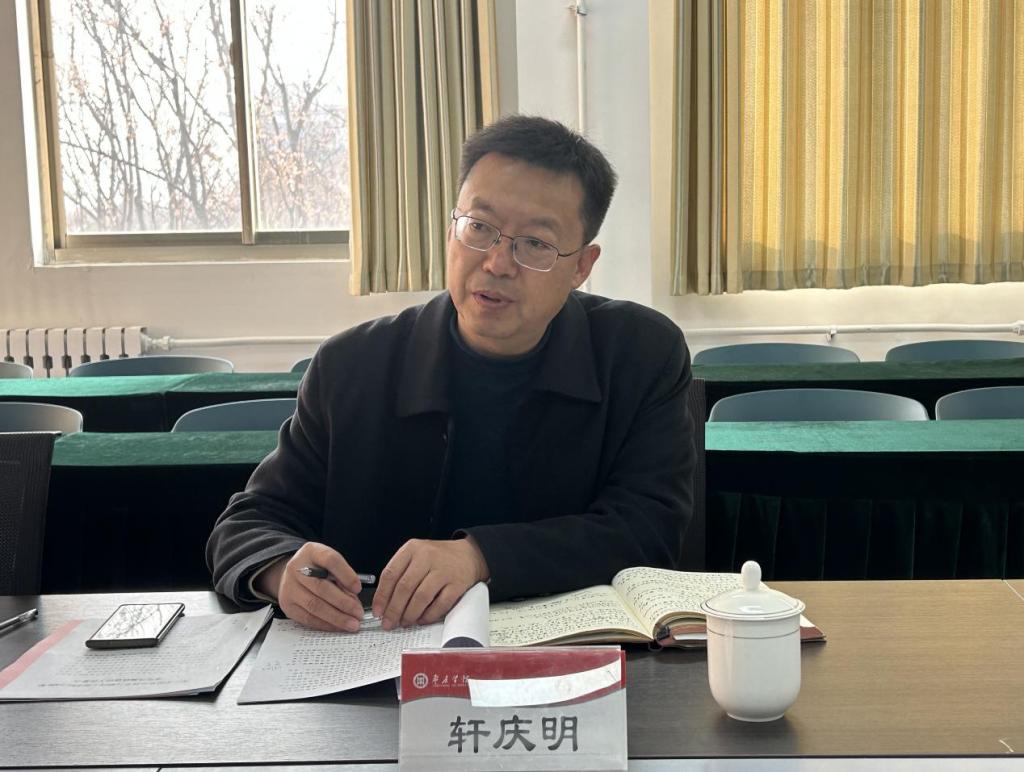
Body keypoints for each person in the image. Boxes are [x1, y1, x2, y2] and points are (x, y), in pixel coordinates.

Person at [206, 115, 696, 633]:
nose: (498, 263)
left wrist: (481, 557)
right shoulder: (352, 367)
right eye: (479, 228)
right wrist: (281, 571)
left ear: (581, 266)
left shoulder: (638, 354)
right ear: (451, 231)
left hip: (572, 655)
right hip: (380, 659)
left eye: (535, 243)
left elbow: (649, 529)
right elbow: (248, 523)